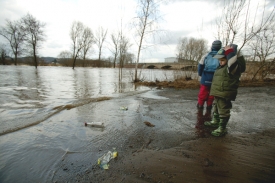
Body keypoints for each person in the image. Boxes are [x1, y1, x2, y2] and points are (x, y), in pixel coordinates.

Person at [204, 44, 246, 137]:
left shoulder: (232, 68)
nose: (220, 62)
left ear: (228, 59)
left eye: (222, 60)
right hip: (218, 92)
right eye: (219, 60)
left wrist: (230, 52)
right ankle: (216, 121)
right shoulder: (221, 67)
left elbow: (232, 63)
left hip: (225, 93)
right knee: (216, 107)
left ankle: (222, 128)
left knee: (223, 110)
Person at [197, 40, 222, 110]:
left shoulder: (206, 55)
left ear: (212, 47)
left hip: (205, 78)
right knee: (212, 93)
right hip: (216, 79)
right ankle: (209, 106)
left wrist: (201, 74)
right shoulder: (221, 56)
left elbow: (200, 66)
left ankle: (200, 105)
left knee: (202, 92)